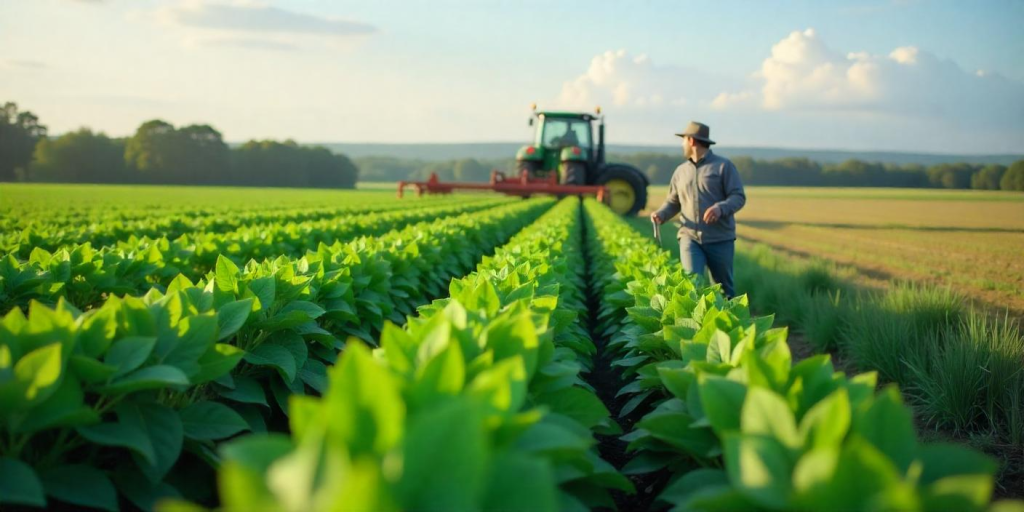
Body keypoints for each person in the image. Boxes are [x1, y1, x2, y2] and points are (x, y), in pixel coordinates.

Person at [650, 121, 746, 298]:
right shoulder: (680, 171)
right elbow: (673, 202)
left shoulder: (724, 166)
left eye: (683, 140)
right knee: (692, 285)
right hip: (689, 237)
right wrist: (661, 214)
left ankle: (728, 324)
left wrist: (720, 208)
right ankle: (694, 325)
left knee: (724, 291)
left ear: (692, 141)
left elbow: (738, 197)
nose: (682, 145)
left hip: (720, 239)